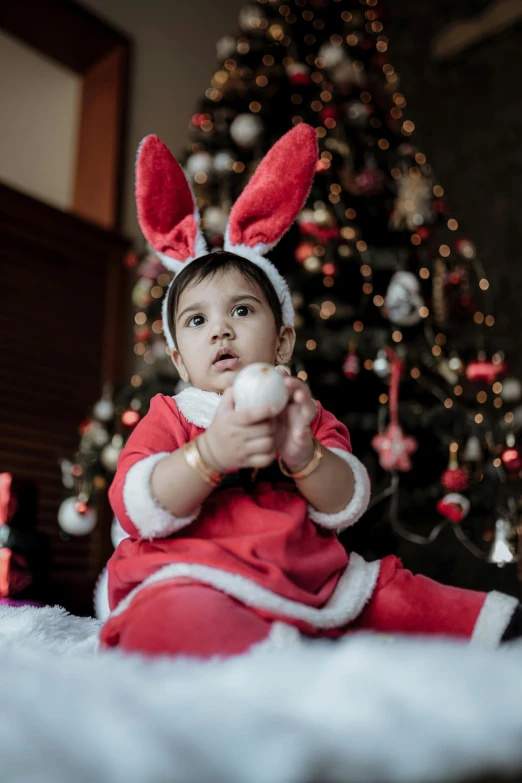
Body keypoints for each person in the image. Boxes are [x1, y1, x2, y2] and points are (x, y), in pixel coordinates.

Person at [99, 125, 521, 658]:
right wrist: (209, 455)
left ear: (282, 342)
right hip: (190, 572)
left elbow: (345, 503)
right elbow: (140, 507)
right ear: (180, 358)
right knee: (174, 620)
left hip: (308, 574)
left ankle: (488, 626)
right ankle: (261, 647)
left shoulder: (301, 410)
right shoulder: (172, 414)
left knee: (387, 588)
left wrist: (305, 456)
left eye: (242, 311)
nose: (221, 330)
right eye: (198, 320)